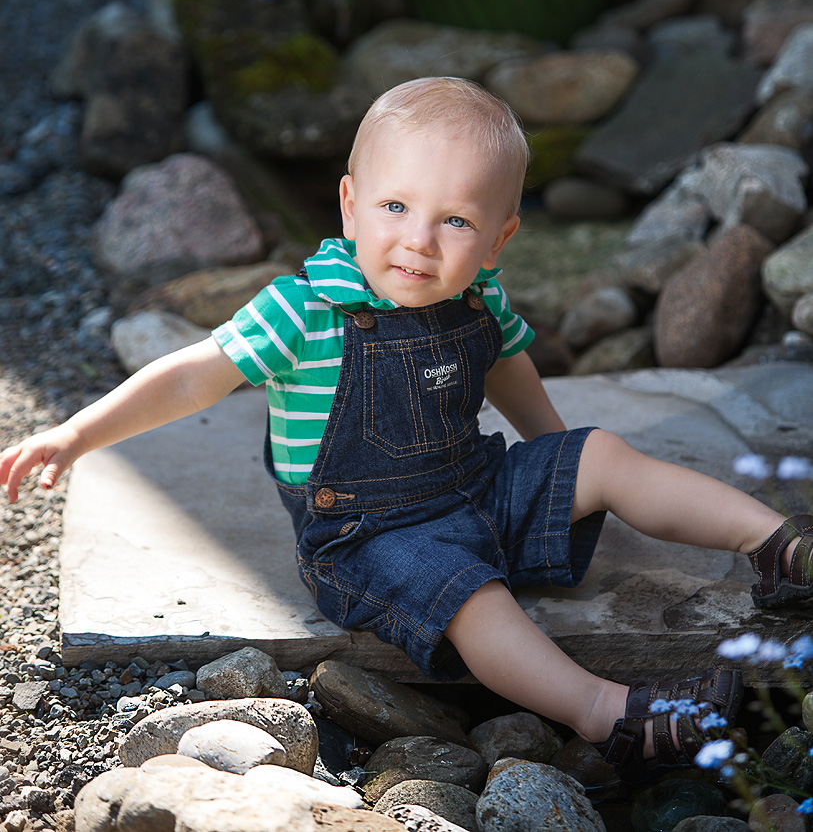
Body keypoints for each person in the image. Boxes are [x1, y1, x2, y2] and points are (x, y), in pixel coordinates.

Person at [2, 76, 811, 784]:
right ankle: (609, 715)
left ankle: (778, 545)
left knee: (601, 453)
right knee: (471, 596)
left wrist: (556, 457)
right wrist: (76, 433)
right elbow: (191, 372)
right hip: (365, 534)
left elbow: (509, 367)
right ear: (350, 203)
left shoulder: (477, 296)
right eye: (395, 207)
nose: (419, 241)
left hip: (475, 486)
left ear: (500, 238)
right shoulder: (304, 310)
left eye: (456, 221)